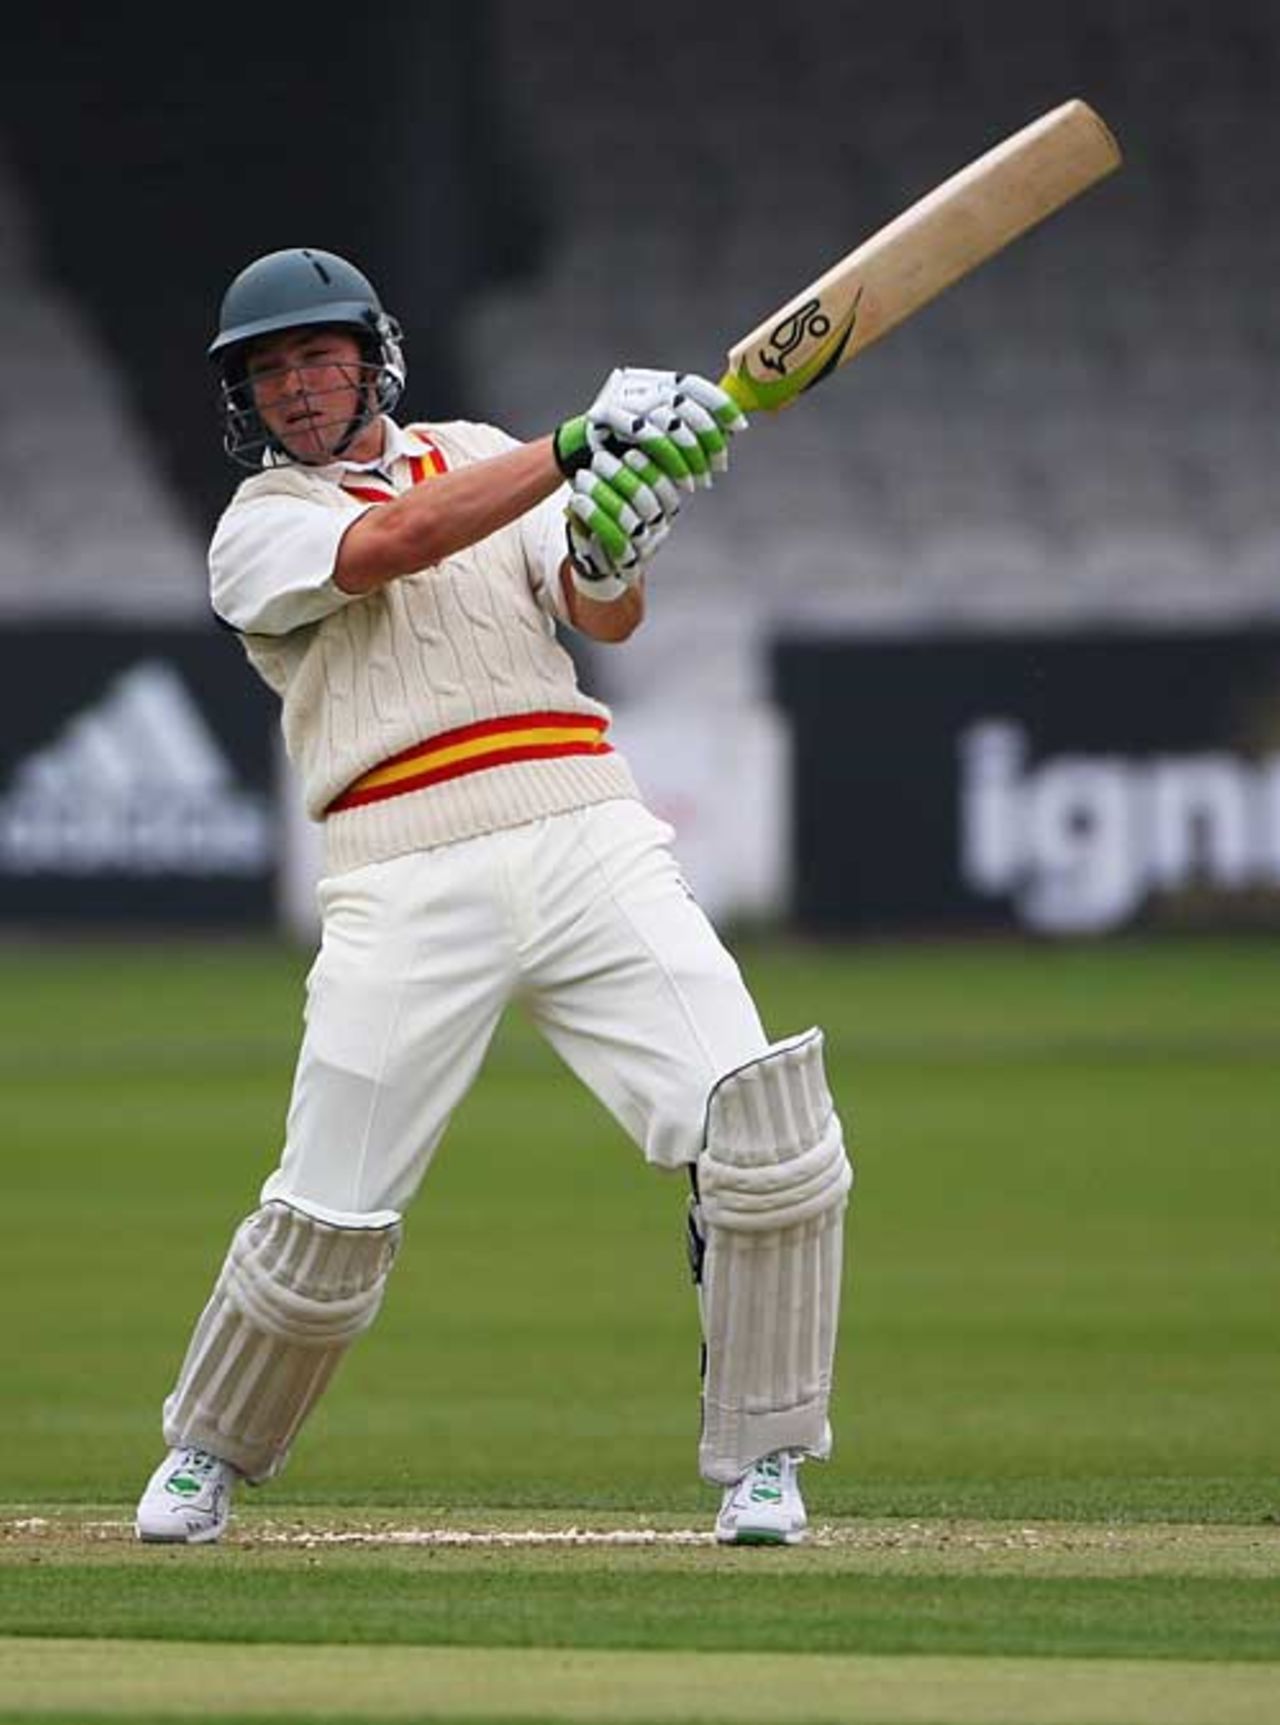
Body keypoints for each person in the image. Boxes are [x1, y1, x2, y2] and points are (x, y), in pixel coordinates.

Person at [134, 246, 853, 1548]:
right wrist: (583, 441)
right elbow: (396, 541)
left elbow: (599, 612)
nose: (297, 389)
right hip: (401, 861)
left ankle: (767, 1461)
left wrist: (614, 532)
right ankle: (208, 1452)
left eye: (318, 357)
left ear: (371, 355)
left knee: (768, 1134)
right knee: (329, 1213)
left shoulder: (475, 446)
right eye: (271, 369)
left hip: (583, 822)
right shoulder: (258, 529)